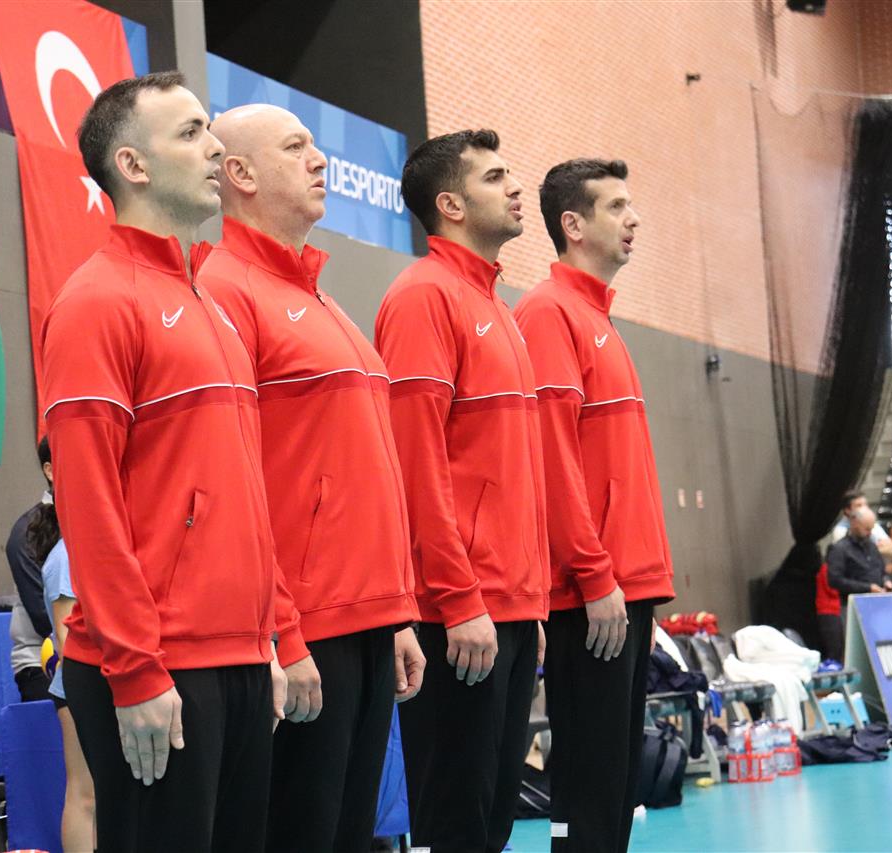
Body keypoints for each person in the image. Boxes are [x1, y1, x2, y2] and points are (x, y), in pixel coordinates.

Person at [42, 71, 284, 851]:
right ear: (132, 165)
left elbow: (244, 495)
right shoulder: (96, 302)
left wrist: (268, 638)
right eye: (190, 132)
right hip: (157, 663)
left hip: (237, 656)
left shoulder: (211, 305)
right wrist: (136, 666)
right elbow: (88, 504)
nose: (214, 148)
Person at [199, 104, 424, 852]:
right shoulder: (225, 289)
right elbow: (234, 483)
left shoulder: (322, 301)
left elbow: (360, 470)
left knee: (350, 836)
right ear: (239, 173)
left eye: (316, 145)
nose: (319, 159)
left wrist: (395, 611)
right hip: (305, 625)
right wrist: (282, 633)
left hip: (364, 620)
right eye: (296, 147)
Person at [374, 129, 549, 851]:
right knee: (457, 826)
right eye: (495, 177)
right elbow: (415, 465)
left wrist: (530, 599)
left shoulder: (496, 308)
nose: (516, 187)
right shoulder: (423, 297)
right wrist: (458, 597)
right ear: (450, 204)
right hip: (461, 613)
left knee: (493, 825)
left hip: (510, 606)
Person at [513, 158, 675, 853]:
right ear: (573, 225)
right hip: (591, 594)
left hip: (627, 588)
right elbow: (552, 459)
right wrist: (593, 572)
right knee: (588, 791)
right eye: (616, 207)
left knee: (614, 791)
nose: (633, 219)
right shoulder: (549, 314)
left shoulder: (598, 318)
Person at [40, 535, 96, 853]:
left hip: (105, 685)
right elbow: (65, 638)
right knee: (84, 794)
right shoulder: (65, 556)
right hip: (78, 689)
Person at [5, 437, 55, 703]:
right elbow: (44, 617)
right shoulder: (28, 532)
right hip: (42, 660)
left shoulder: (98, 521)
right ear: (50, 470)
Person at [825, 507, 892, 604]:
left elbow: (882, 571)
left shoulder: (871, 545)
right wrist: (867, 587)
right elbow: (834, 580)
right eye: (866, 529)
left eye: (871, 529)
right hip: (853, 604)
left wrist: (886, 581)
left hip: (877, 600)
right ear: (854, 524)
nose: (870, 533)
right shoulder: (839, 549)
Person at [831, 490, 892, 560]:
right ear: (847, 510)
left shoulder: (872, 524)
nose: (864, 508)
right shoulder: (840, 530)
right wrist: (879, 548)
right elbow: (854, 558)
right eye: (859, 505)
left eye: (865, 505)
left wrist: (867, 551)